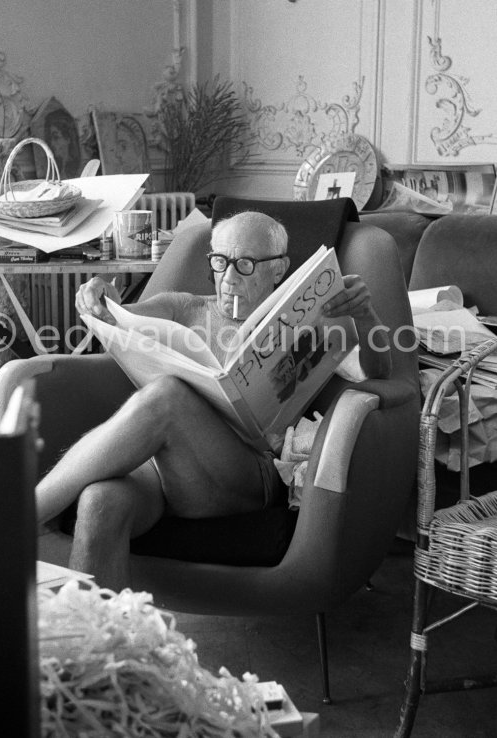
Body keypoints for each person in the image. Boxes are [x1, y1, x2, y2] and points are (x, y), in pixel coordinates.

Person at [36, 211, 391, 590]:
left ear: (279, 269)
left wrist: (366, 316)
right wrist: (97, 296)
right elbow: (113, 315)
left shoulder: (311, 314)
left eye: (246, 264)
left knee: (167, 396)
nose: (229, 277)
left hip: (248, 473)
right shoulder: (184, 307)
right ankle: (101, 645)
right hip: (161, 470)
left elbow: (381, 371)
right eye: (220, 262)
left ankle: (25, 513)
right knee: (99, 502)